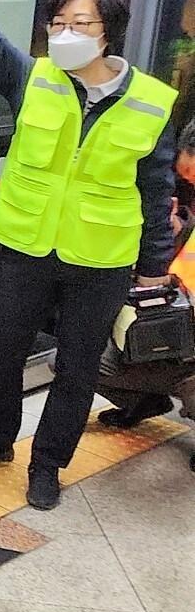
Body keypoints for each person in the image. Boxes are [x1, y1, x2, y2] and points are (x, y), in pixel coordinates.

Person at [0, 0, 178, 509]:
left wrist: (155, 269)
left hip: (100, 257)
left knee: (77, 368)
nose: (65, 35)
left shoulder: (152, 102)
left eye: (80, 24)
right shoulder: (38, 78)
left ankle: (48, 464)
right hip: (28, 242)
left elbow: (156, 193)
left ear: (110, 32)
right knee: (4, 349)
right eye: (59, 23)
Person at [95, 125, 195, 427]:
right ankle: (146, 401)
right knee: (72, 362)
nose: (187, 180)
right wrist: (176, 229)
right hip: (167, 328)